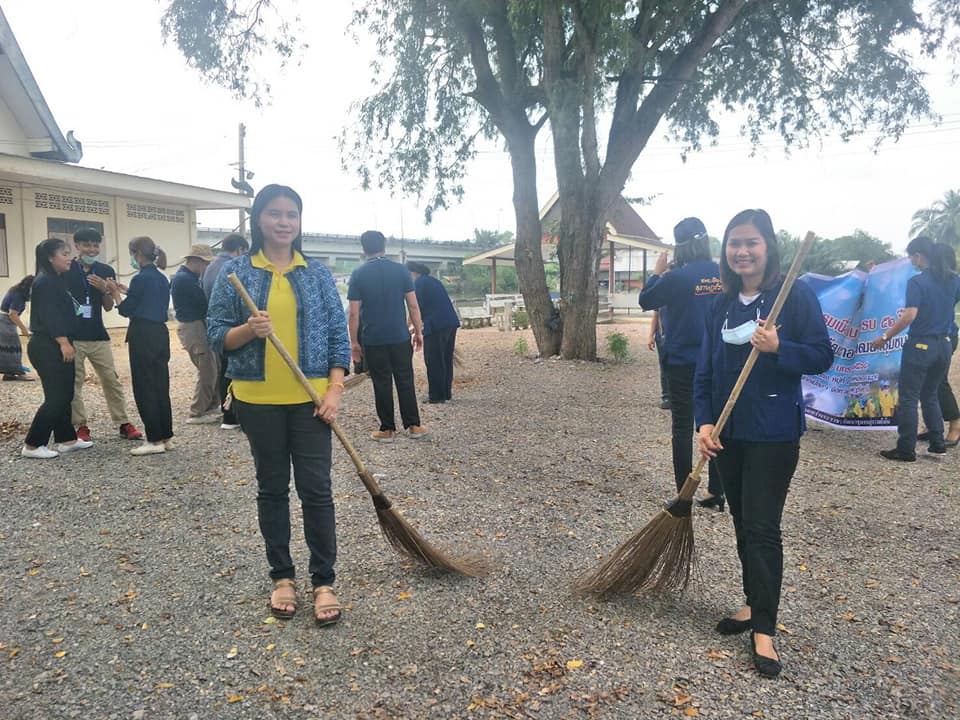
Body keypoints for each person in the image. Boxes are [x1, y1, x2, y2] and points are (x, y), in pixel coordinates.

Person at [695, 209, 833, 678]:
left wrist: (779, 348)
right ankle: (754, 603)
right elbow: (705, 370)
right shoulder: (721, 303)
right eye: (734, 242)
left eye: (751, 242)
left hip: (773, 433)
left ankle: (765, 628)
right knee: (740, 520)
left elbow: (821, 355)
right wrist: (704, 423)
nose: (742, 251)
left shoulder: (793, 297)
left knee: (762, 527)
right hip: (728, 433)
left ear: (768, 246)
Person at [207, 184, 350, 625]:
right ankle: (282, 576)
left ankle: (323, 580)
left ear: (300, 221)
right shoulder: (238, 272)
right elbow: (218, 336)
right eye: (274, 213)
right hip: (257, 400)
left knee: (317, 491)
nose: (284, 221)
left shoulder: (317, 274)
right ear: (258, 220)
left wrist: (334, 391)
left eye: (292, 214)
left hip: (310, 402)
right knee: (272, 489)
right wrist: (249, 329)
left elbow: (337, 337)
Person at [639, 217, 725, 508]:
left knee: (682, 426)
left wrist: (656, 273)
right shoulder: (722, 273)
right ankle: (716, 490)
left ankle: (682, 494)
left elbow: (646, 300)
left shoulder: (676, 277)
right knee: (714, 424)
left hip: (683, 360)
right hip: (717, 360)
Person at [871, 236, 960, 460]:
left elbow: (910, 314)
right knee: (930, 394)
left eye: (912, 256)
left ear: (920, 256)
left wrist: (884, 336)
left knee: (909, 397)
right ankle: (938, 442)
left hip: (920, 345)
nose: (911, 261)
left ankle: (905, 449)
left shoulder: (918, 282)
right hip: (944, 346)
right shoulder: (953, 281)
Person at [347, 230, 427, 442]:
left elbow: (354, 312)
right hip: (400, 336)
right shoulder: (401, 271)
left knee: (381, 382)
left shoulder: (358, 275)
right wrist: (418, 332)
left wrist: (354, 342)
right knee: (405, 379)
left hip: (373, 339)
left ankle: (387, 429)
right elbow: (413, 305)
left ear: (363, 249)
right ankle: (414, 425)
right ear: (384, 246)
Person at [66, 228, 143, 441]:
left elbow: (108, 307)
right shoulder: (68, 268)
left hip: (98, 335)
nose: (92, 249)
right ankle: (80, 426)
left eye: (95, 245)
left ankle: (123, 422)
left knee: (112, 380)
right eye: (87, 245)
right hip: (73, 336)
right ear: (77, 246)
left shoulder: (105, 269)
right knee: (74, 383)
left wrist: (104, 290)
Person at [21, 239, 93, 459]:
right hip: (49, 345)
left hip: (60, 342)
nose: (69, 257)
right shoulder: (45, 282)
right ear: (50, 257)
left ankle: (66, 439)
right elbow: (50, 315)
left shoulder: (58, 279)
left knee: (65, 393)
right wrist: (63, 342)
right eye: (64, 253)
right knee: (56, 396)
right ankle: (33, 444)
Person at [105, 237, 174, 456]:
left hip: (143, 334)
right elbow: (146, 300)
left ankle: (154, 439)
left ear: (137, 253)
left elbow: (126, 310)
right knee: (160, 386)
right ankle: (165, 436)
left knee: (145, 388)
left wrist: (114, 293)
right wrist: (127, 292)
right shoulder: (161, 277)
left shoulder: (140, 278)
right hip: (160, 333)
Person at [202, 233, 249, 430]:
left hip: (215, 324)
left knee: (224, 370)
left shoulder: (211, 266)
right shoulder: (231, 267)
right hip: (234, 327)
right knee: (232, 372)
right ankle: (231, 416)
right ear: (239, 249)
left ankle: (227, 414)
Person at [171, 243, 220, 424]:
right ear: (196, 261)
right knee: (207, 369)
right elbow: (204, 304)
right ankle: (197, 412)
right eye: (205, 263)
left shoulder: (188, 277)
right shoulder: (184, 279)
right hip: (193, 326)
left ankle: (210, 405)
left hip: (196, 325)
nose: (206, 267)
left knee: (213, 366)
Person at [406, 261, 460, 403]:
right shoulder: (433, 281)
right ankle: (446, 393)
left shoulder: (418, 284)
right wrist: (415, 327)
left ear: (412, 273)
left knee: (434, 360)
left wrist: (406, 328)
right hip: (450, 323)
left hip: (436, 325)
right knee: (446, 359)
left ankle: (436, 396)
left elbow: (414, 309)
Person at [1, 275, 34, 381]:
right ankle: (19, 373)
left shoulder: (15, 291)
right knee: (15, 348)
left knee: (6, 349)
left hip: (4, 321)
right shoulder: (18, 295)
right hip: (5, 322)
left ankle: (9, 373)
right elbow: (12, 314)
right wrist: (24, 329)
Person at [647, 308, 670, 409]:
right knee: (664, 366)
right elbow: (656, 315)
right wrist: (650, 336)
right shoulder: (661, 294)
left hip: (677, 336)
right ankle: (666, 396)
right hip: (661, 337)